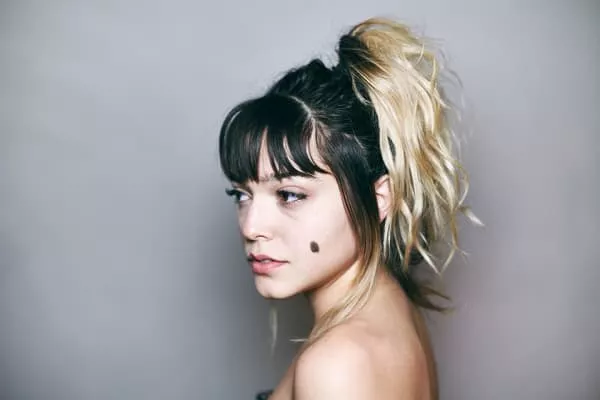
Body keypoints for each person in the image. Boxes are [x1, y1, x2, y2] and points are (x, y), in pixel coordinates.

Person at [218, 17, 478, 400]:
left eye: (289, 195)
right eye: (242, 195)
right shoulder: (388, 308)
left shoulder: (337, 363)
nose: (251, 226)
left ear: (379, 198)